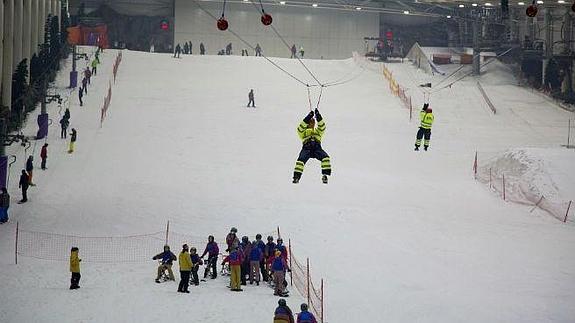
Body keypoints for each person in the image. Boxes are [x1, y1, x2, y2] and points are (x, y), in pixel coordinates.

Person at [292, 109, 331, 184]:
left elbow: (322, 127)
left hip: (317, 149)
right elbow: (300, 128)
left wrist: (318, 116)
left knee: (325, 158)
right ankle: (296, 177)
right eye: (310, 122)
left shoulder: (318, 132)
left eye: (313, 122)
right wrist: (308, 117)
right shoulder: (303, 133)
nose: (311, 123)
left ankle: (325, 175)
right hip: (307, 149)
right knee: (300, 160)